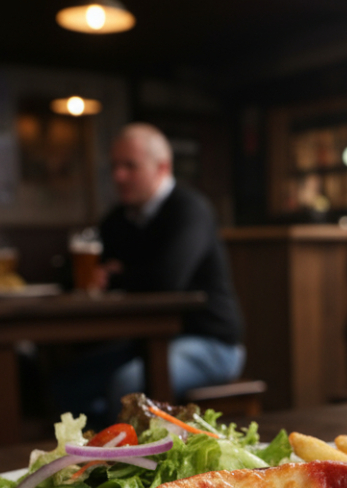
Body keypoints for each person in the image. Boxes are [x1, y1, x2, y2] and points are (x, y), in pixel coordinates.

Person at [52, 123, 245, 425]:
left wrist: (116, 276)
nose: (119, 176)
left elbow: (166, 280)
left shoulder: (189, 209)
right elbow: (70, 273)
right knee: (69, 382)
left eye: (130, 166)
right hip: (146, 341)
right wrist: (116, 274)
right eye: (115, 166)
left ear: (162, 167)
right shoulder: (120, 218)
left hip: (211, 343)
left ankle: (128, 462)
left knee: (128, 386)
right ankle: (91, 459)